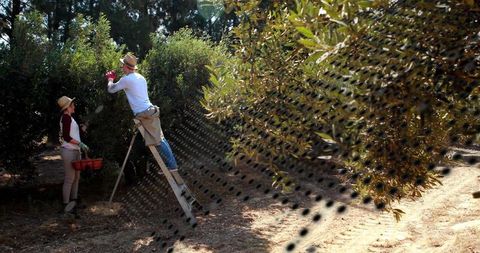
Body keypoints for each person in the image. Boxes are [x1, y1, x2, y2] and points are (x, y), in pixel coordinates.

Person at [105, 53, 179, 174]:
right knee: (158, 139)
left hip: (144, 114)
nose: (121, 67)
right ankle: (168, 165)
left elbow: (111, 89)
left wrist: (110, 79)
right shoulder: (140, 77)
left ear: (126, 66)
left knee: (159, 140)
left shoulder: (127, 79)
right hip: (149, 111)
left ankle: (172, 165)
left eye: (122, 65)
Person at [57, 96, 89, 214]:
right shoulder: (65, 118)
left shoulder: (70, 118)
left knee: (76, 178)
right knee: (70, 179)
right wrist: (80, 143)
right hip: (69, 151)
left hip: (75, 151)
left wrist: (83, 128)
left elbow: (75, 133)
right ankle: (66, 205)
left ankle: (73, 203)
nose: (74, 106)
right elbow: (66, 137)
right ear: (68, 107)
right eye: (73, 105)